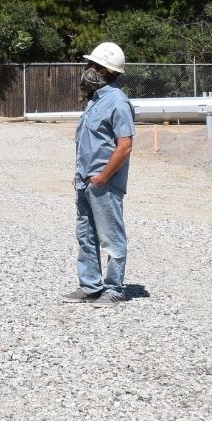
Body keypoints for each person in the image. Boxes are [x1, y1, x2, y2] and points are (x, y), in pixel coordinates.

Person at [62, 42, 134, 307]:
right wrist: (81, 173)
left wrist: (103, 177)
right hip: (86, 180)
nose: (89, 70)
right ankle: (90, 286)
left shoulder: (117, 102)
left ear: (108, 71)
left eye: (96, 66)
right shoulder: (94, 100)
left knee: (111, 236)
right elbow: (89, 141)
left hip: (104, 182)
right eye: (91, 65)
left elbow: (124, 145)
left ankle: (114, 289)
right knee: (86, 235)